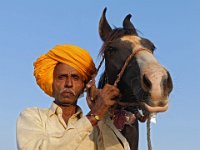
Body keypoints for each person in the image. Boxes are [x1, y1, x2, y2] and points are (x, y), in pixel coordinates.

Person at [16, 44, 130, 150]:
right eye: (62, 77)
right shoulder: (32, 116)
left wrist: (102, 114)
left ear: (83, 85)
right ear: (52, 82)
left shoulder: (97, 127)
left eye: (75, 78)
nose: (69, 83)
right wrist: (94, 115)